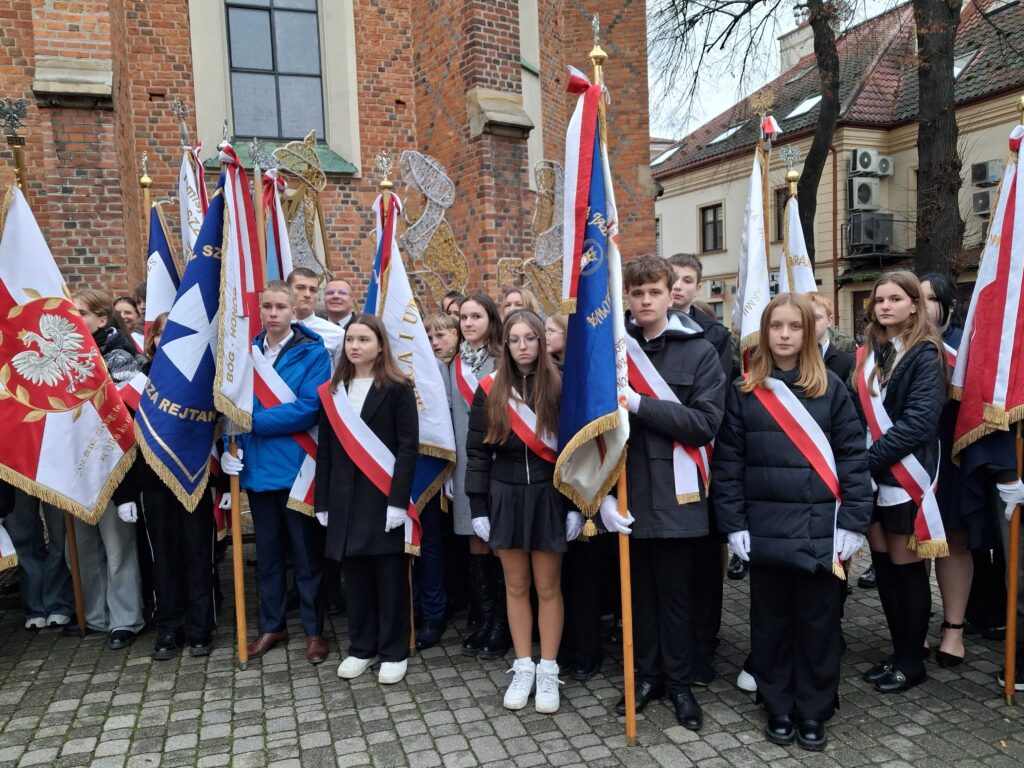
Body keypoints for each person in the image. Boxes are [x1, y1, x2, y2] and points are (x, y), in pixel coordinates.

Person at [714, 293, 872, 751]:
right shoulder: (744, 391)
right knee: (770, 624)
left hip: (818, 530)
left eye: (794, 326)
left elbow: (853, 460)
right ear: (764, 332)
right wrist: (734, 524)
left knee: (819, 625)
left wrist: (853, 522)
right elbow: (728, 466)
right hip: (764, 530)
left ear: (809, 332)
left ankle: (815, 708)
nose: (784, 334)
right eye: (776, 326)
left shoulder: (832, 389)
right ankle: (777, 704)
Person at [609, 256, 727, 730]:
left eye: (654, 292)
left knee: (677, 598)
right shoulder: (614, 350)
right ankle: (646, 677)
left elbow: (704, 424)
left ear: (670, 293)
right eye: (637, 293)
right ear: (627, 297)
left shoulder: (699, 351)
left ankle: (679, 684)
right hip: (629, 491)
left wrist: (639, 403)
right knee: (638, 597)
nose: (645, 301)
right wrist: (601, 497)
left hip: (679, 496)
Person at [220, 281, 332, 664]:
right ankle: (272, 625)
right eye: (267, 306)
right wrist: (228, 447)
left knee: (306, 556)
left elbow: (309, 408)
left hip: (297, 469)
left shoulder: (314, 353)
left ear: (294, 310)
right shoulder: (244, 353)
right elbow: (231, 407)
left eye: (280, 307)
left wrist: (252, 423)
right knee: (267, 556)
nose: (273, 313)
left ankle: (314, 631)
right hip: (257, 469)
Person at [466, 309, 572, 712]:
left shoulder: (561, 384)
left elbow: (576, 449)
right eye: (515, 340)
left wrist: (575, 506)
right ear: (505, 345)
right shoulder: (489, 389)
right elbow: (477, 453)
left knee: (548, 586)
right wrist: (478, 506)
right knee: (515, 585)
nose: (523, 346)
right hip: (505, 495)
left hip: (549, 494)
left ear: (542, 341)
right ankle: (523, 665)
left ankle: (548, 668)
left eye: (530, 338)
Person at [854, 271, 947, 694]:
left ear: (914, 305)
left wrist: (865, 463)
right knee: (886, 570)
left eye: (894, 299)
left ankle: (912, 662)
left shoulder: (925, 353)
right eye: (879, 300)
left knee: (907, 571)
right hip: (875, 476)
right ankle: (898, 653)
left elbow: (918, 423)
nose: (885, 306)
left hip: (904, 475)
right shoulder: (873, 352)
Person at [316, 314, 418, 684]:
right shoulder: (333, 391)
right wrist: (323, 502)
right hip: (344, 498)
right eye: (350, 340)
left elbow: (407, 448)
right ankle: (361, 647)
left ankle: (393, 652)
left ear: (380, 345)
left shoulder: (398, 387)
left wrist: (398, 501)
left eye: (363, 340)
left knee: (389, 577)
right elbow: (325, 451)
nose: (355, 346)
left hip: (383, 495)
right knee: (355, 578)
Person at [667, 252, 733, 684]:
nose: (678, 286)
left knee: (706, 560)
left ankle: (704, 643)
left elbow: (715, 398)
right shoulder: (635, 332)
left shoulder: (714, 335)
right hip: (658, 459)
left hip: (700, 456)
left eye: (687, 280)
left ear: (697, 287)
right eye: (672, 278)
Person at [136, 312, 218, 660]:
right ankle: (169, 626)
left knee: (198, 554)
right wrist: (128, 494)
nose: (168, 339)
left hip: (194, 478)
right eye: (161, 333)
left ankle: (200, 627)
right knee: (164, 557)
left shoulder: (203, 376)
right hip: (153, 482)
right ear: (152, 339)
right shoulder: (138, 378)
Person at [69, 289, 147, 649]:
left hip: (112, 466)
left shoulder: (120, 356)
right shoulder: (65, 358)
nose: (74, 319)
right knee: (83, 548)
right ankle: (96, 614)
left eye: (81, 313)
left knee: (117, 548)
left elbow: (126, 415)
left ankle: (126, 618)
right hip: (75, 468)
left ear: (101, 319)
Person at [447, 295, 510, 659]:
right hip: (464, 465)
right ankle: (485, 619)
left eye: (476, 316)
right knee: (475, 541)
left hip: (498, 464)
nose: (468, 323)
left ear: (491, 320)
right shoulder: (452, 362)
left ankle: (503, 623)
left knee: (499, 542)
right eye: (464, 317)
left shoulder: (502, 359)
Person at [3, 485, 74, 630]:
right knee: (21, 535)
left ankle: (60, 601)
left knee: (60, 532)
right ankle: (34, 605)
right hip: (14, 472)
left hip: (53, 471)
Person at [287, 268, 346, 363]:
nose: (307, 294)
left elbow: (341, 371)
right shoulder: (274, 330)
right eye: (301, 288)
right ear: (287, 290)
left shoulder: (337, 334)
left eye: (313, 290)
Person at [808, 293, 854, 385]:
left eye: (816, 318)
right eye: (805, 317)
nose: (810, 323)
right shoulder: (789, 360)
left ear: (829, 320)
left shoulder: (848, 362)